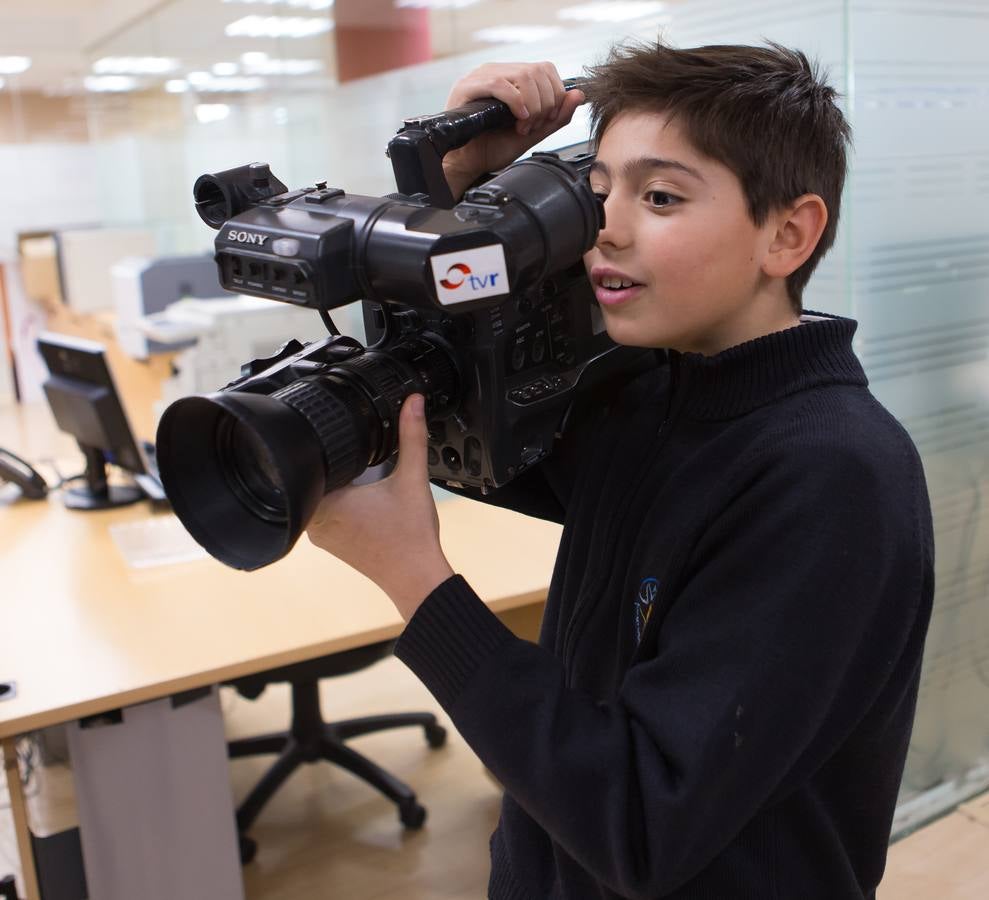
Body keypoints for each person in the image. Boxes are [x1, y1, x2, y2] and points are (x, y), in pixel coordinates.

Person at [305, 42, 934, 899]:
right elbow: (446, 422)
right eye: (597, 191)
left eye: (661, 196)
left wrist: (419, 584)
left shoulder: (832, 477)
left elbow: (641, 822)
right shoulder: (650, 396)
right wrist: (454, 194)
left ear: (787, 233)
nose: (607, 228)